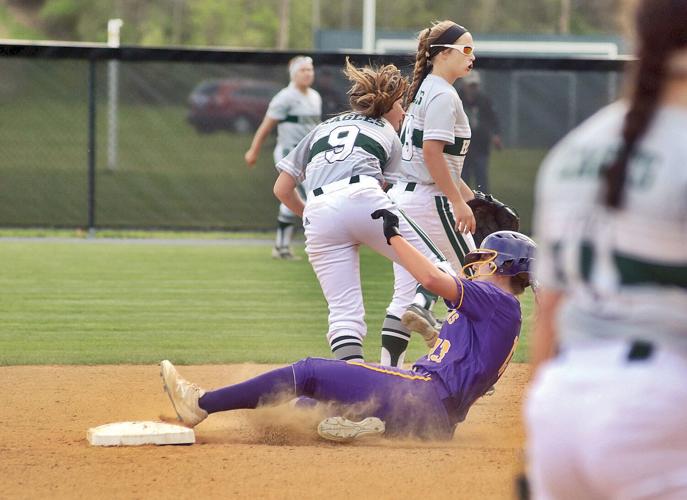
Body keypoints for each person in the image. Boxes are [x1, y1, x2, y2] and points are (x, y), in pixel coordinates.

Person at [160, 222, 535, 442]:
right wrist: (434, 336)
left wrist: (393, 235)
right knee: (308, 408)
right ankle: (363, 424)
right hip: (433, 419)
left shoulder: (495, 299)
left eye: (485, 260)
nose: (476, 267)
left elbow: (431, 277)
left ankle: (200, 404)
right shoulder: (501, 313)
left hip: (421, 396)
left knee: (309, 372)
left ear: (506, 265)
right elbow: (472, 370)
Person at [525, 0, 687, 497]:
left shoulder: (573, 148)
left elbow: (549, 311)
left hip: (560, 408)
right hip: (656, 404)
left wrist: (532, 449)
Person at [271, 59, 450, 362]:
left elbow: (281, 189)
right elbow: (389, 190)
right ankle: (420, 306)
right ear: (387, 104)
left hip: (318, 209)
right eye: (400, 105)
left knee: (344, 315)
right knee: (438, 266)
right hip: (363, 196)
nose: (403, 112)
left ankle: (355, 398)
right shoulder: (388, 132)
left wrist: (310, 217)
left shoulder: (323, 127)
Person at [380, 20, 478, 367]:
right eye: (466, 49)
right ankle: (462, 360)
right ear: (443, 53)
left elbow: (432, 160)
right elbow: (433, 152)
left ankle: (388, 374)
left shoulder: (424, 91)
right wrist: (456, 200)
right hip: (430, 199)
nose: (472, 57)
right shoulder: (442, 94)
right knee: (474, 274)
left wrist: (470, 196)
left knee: (403, 292)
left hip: (405, 198)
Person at [244, 56, 322, 260]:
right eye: (303, 70)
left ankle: (281, 247)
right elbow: (266, 126)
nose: (308, 73)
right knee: (303, 197)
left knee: (294, 199)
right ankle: (302, 245)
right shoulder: (285, 97)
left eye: (310, 70)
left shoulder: (314, 96)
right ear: (293, 74)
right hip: (289, 153)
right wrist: (254, 150)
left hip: (309, 155)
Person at [458, 70, 502, 192]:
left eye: (475, 86)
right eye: (470, 86)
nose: (473, 89)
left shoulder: (484, 100)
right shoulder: (456, 98)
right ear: (464, 85)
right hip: (462, 147)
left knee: (481, 180)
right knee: (463, 179)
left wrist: (496, 134)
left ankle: (483, 207)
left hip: (481, 145)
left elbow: (493, 119)